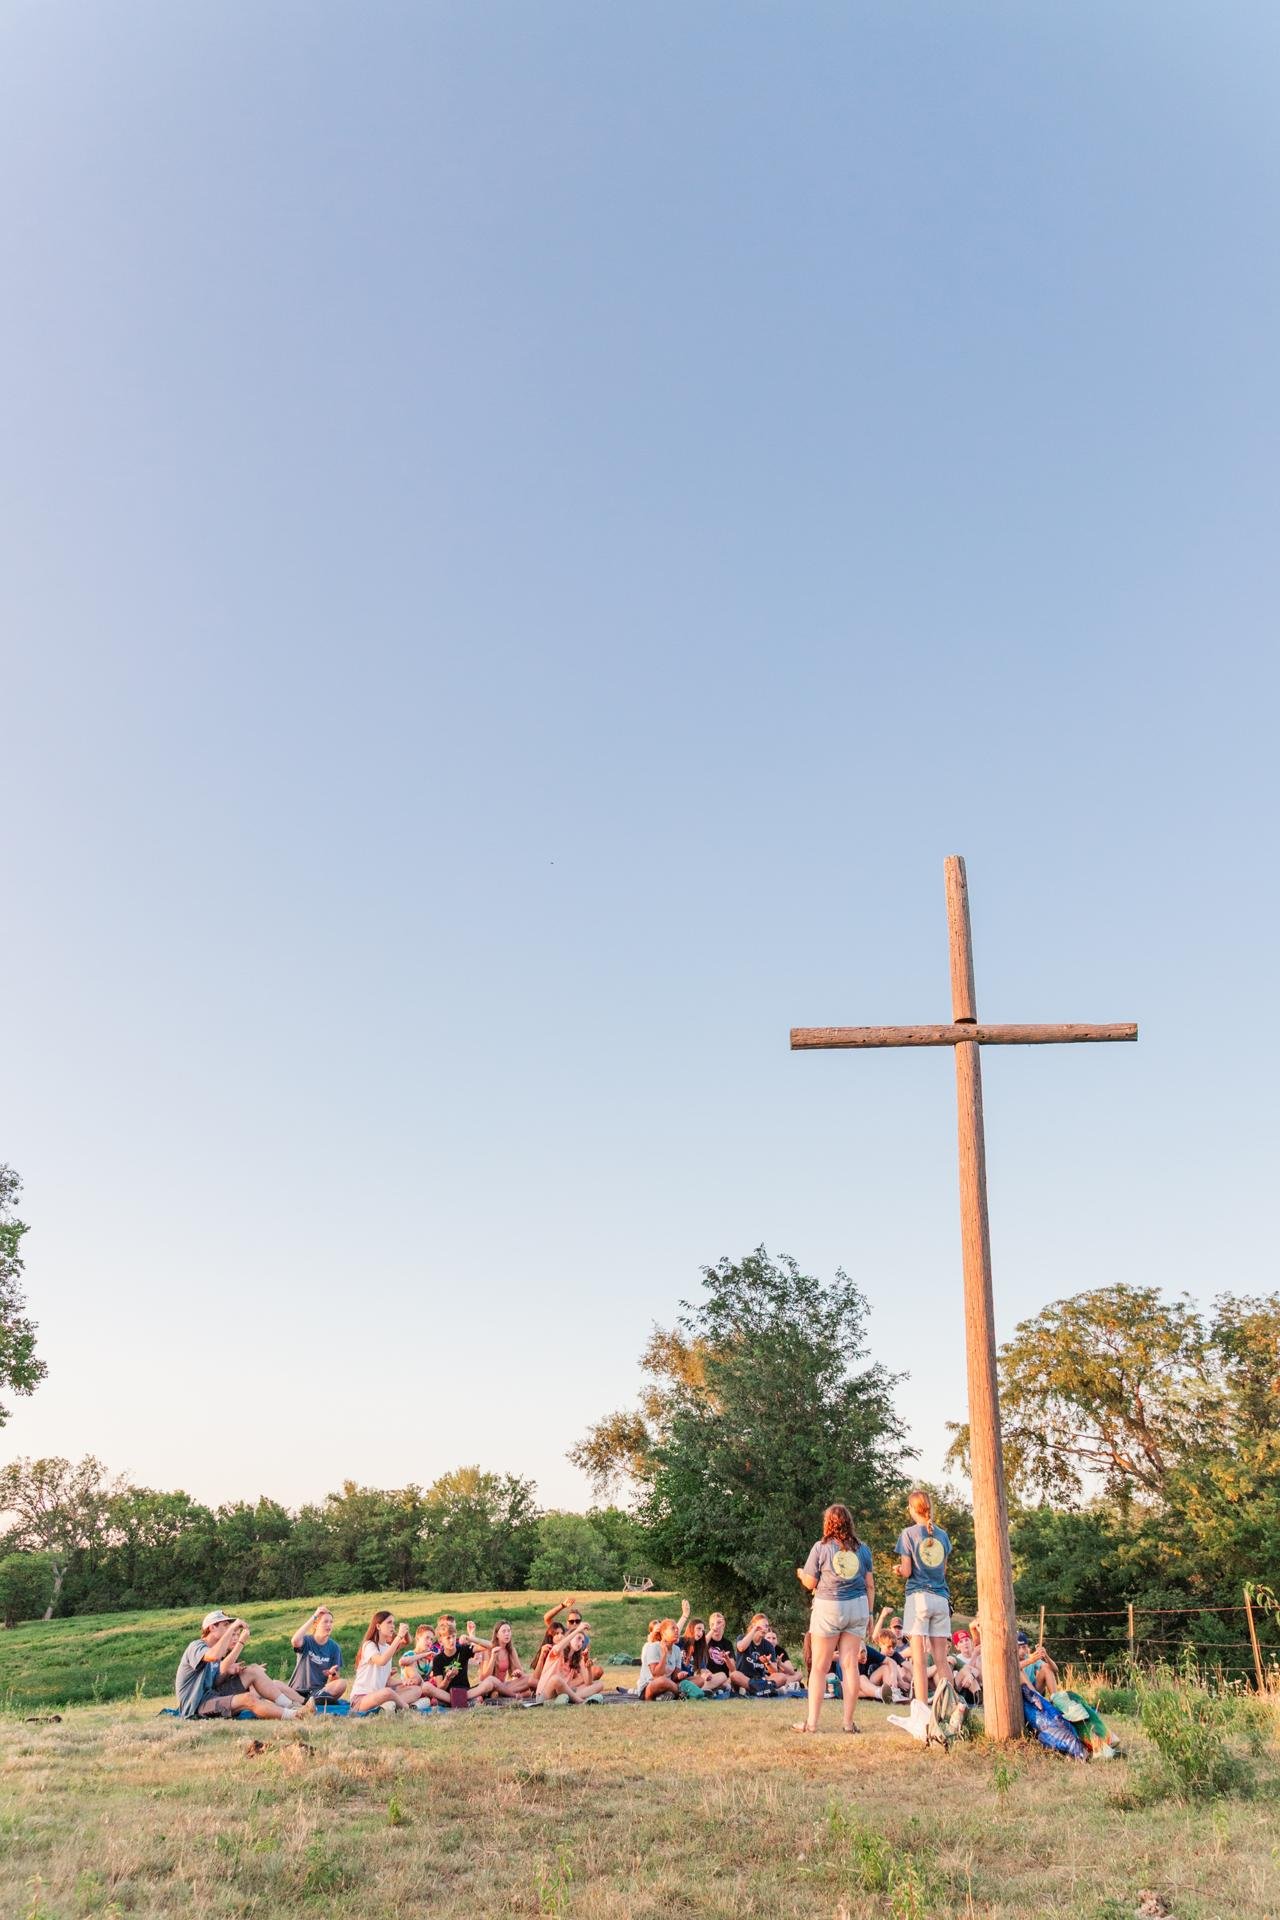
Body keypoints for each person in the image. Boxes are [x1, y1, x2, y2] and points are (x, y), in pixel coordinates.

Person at [794, 1501, 876, 1734]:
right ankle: (848, 1723)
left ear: (828, 1524)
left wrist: (801, 1574)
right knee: (850, 1665)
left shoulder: (820, 1548)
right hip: (858, 1606)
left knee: (820, 1666)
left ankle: (811, 1724)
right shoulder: (863, 1549)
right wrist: (870, 1613)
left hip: (829, 1606)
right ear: (849, 1523)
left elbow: (810, 1582)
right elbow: (870, 1585)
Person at [175, 1610, 305, 1721]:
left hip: (212, 1695)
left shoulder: (217, 1650)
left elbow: (215, 1682)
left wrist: (227, 1673)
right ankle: (295, 1715)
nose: (230, 1629)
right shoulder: (196, 1646)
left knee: (252, 1670)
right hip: (197, 1706)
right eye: (225, 1625)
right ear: (211, 1627)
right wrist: (234, 1632)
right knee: (248, 1698)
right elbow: (213, 1656)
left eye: (229, 1626)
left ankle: (293, 1706)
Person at [895, 1489, 953, 1705]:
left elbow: (908, 1571)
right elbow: (943, 1571)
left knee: (919, 1660)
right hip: (940, 1597)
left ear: (912, 1509)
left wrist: (898, 1570)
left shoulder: (908, 1534)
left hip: (919, 1597)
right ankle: (950, 1705)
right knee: (941, 1660)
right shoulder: (943, 1535)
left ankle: (921, 1708)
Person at [349, 1611, 422, 1714]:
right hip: (361, 1699)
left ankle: (389, 1706)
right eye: (389, 1622)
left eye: (393, 1623)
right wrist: (399, 1636)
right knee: (387, 1692)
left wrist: (406, 1681)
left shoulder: (387, 1648)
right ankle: (406, 1707)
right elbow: (381, 1661)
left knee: (416, 1690)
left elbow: (388, 1682)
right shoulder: (369, 1645)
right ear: (378, 1626)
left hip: (381, 1697)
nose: (392, 1626)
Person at [431, 1615, 501, 1705]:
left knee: (489, 1682)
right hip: (447, 1693)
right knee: (426, 1687)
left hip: (466, 1691)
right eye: (448, 1638)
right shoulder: (438, 1659)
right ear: (440, 1641)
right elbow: (440, 1688)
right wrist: (447, 1679)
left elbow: (491, 1645)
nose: (452, 1640)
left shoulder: (463, 1649)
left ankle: (456, 1701)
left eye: (453, 1636)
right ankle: (465, 1701)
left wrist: (470, 1638)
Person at [289, 1605, 347, 1706]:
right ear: (315, 1624)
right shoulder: (306, 1640)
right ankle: (308, 1703)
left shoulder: (334, 1647)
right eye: (325, 1621)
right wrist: (314, 1616)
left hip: (317, 1693)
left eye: (331, 1622)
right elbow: (295, 1640)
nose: (329, 1625)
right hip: (296, 1690)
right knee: (276, 1684)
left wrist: (332, 1674)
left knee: (342, 1684)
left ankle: (311, 1703)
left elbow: (335, 1680)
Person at [538, 1626, 604, 1703]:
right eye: (578, 1638)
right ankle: (580, 1701)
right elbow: (557, 1649)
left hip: (563, 1692)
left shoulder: (579, 1658)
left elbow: (588, 1683)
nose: (580, 1643)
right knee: (556, 1679)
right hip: (545, 1694)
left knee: (599, 1684)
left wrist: (589, 1668)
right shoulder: (557, 1649)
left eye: (582, 1642)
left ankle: (566, 1699)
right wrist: (578, 1629)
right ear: (570, 1637)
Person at [637, 1604, 690, 1700]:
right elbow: (657, 1675)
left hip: (669, 1685)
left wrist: (679, 1676)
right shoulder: (653, 1647)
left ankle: (670, 1694)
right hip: (649, 1687)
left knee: (699, 1680)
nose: (677, 1630)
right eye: (673, 1628)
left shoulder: (677, 1650)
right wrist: (664, 1654)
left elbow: (674, 1677)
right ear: (663, 1633)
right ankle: (682, 1692)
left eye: (677, 1628)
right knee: (662, 1681)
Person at [479, 1621, 535, 1699]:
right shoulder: (488, 1649)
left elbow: (522, 1674)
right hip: (490, 1687)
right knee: (527, 1692)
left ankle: (504, 1694)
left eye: (509, 1631)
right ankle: (509, 1695)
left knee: (530, 1679)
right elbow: (484, 1678)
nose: (507, 1634)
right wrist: (493, 1657)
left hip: (504, 1686)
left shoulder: (511, 1650)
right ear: (497, 1635)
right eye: (504, 1631)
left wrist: (518, 1674)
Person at [704, 1611, 750, 1694]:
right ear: (710, 1626)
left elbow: (732, 1669)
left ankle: (719, 1688)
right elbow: (701, 1645)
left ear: (723, 1625)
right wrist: (713, 1629)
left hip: (724, 1678)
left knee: (732, 1675)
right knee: (704, 1673)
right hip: (709, 1676)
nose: (716, 1626)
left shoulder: (727, 1644)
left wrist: (727, 1659)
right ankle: (719, 1689)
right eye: (713, 1624)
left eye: (718, 1623)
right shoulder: (706, 1640)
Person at [680, 1618, 729, 1694]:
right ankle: (707, 1690)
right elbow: (672, 1634)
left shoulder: (699, 1649)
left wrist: (706, 1675)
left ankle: (702, 1690)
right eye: (698, 1628)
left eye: (702, 1630)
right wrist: (684, 1616)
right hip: (680, 1680)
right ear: (691, 1628)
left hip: (693, 1680)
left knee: (722, 1675)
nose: (701, 1632)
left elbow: (701, 1670)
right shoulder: (681, 1641)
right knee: (722, 1683)